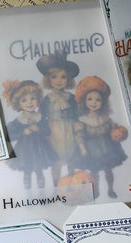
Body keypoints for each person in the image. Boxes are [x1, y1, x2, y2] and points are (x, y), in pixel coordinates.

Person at [74, 76, 128, 199]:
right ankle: (96, 191)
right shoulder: (83, 120)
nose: (94, 102)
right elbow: (79, 135)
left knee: (108, 170)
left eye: (98, 100)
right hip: (91, 149)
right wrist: (82, 148)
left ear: (103, 102)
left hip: (107, 148)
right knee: (94, 171)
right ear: (84, 101)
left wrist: (119, 130)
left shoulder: (105, 118)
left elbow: (114, 127)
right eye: (90, 99)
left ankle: (111, 189)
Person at [3, 80, 56, 189]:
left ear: (38, 99)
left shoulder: (40, 117)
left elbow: (47, 131)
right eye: (24, 100)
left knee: (39, 169)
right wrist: (23, 132)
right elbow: (10, 134)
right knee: (27, 171)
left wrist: (39, 129)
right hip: (24, 149)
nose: (29, 103)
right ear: (18, 103)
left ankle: (42, 189)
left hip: (40, 148)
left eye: (33, 98)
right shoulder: (19, 120)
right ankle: (27, 190)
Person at [37, 51, 80, 185]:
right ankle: (57, 186)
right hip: (53, 133)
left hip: (70, 131)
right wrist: (45, 133)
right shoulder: (47, 99)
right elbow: (41, 117)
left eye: (63, 77)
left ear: (68, 80)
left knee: (72, 159)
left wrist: (78, 127)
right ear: (48, 80)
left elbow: (77, 114)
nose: (59, 80)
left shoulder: (71, 98)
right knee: (56, 161)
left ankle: (72, 183)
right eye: (54, 77)